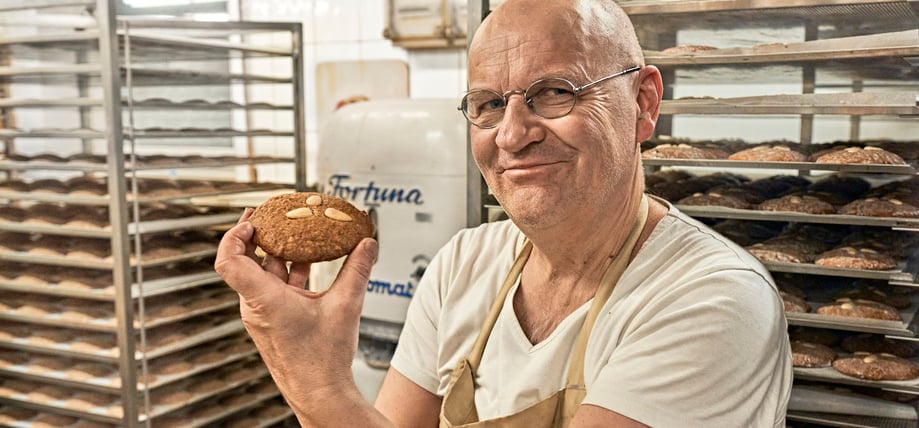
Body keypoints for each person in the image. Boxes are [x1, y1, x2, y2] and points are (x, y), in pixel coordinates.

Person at [215, 0, 792, 426]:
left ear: (643, 103)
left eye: (556, 92)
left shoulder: (712, 299)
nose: (513, 134)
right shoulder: (465, 264)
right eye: (489, 104)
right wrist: (306, 364)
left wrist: (316, 383)